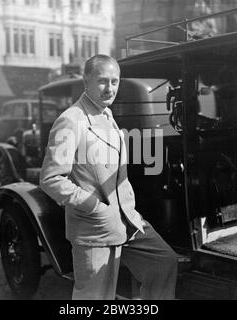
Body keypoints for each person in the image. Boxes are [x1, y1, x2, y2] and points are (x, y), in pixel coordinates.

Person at [40, 54, 178, 300]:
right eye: (103, 81)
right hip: (95, 228)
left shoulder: (107, 115)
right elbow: (51, 178)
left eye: (115, 81)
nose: (110, 88)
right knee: (94, 298)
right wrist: (94, 207)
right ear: (86, 82)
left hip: (127, 221)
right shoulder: (71, 120)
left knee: (163, 263)